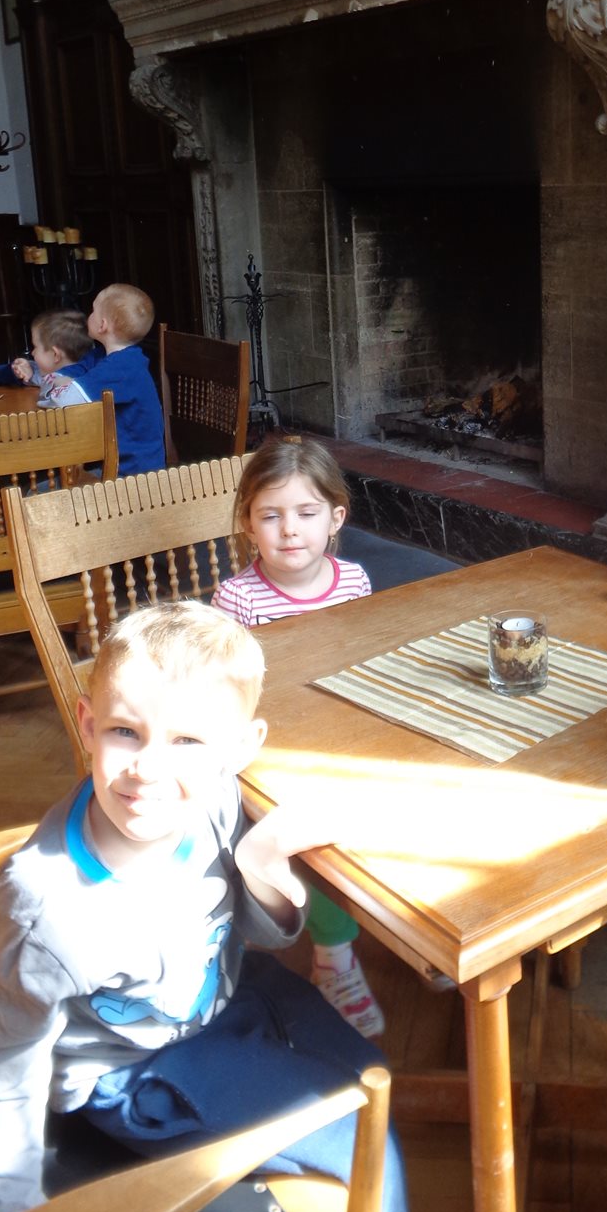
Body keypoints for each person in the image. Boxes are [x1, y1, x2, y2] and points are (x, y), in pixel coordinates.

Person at [0, 600, 407, 1212]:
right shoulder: (48, 906)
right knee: (367, 1138)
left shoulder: (216, 798)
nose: (148, 769)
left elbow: (261, 934)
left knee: (374, 1076)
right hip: (132, 1070)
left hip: (230, 999)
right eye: (125, 732)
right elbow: (3, 1065)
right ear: (88, 724)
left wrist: (259, 864)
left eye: (187, 742)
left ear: (240, 749)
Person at [212, 437, 384, 1038]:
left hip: (345, 733)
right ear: (248, 523)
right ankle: (334, 955)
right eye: (271, 515)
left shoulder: (353, 579)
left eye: (306, 513)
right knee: (306, 836)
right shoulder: (237, 598)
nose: (289, 530)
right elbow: (229, 692)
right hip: (275, 750)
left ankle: (414, 928)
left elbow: (363, 662)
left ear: (335, 519)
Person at [60, 283, 165, 474]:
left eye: (93, 311)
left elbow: (64, 401)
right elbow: (74, 370)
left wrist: (58, 384)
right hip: (123, 466)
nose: (89, 315)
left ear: (102, 325)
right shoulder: (110, 356)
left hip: (134, 476)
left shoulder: (120, 367)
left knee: (44, 489)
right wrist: (57, 379)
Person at [26, 308, 93, 407]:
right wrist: (30, 373)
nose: (32, 353)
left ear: (55, 354)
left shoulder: (63, 385)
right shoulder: (90, 373)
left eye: (35, 347)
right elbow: (40, 377)